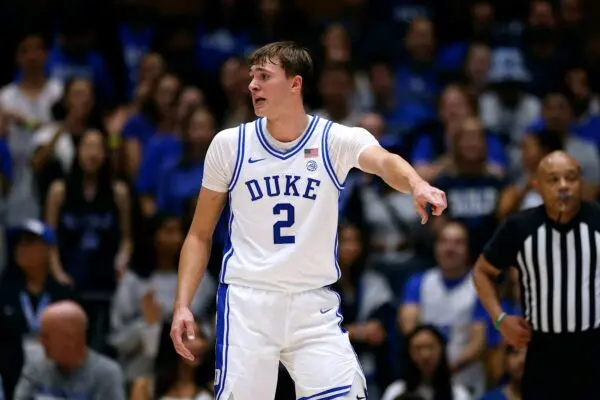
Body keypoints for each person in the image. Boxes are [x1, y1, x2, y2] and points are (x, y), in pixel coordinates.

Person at [170, 41, 447, 400]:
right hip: (248, 303)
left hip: (312, 303)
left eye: (264, 76)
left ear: (294, 84)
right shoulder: (230, 145)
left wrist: (417, 183)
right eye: (252, 77)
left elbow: (383, 161)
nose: (252, 85)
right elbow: (199, 234)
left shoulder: (333, 139)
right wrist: (182, 303)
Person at [473, 151, 600, 399]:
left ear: (581, 182)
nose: (563, 186)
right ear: (537, 185)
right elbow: (482, 272)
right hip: (543, 350)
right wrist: (500, 319)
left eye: (571, 178)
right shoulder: (520, 227)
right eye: (553, 180)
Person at [13, 301, 125, 400]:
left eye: (47, 337)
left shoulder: (106, 374)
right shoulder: (36, 367)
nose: (41, 342)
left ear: (71, 339)